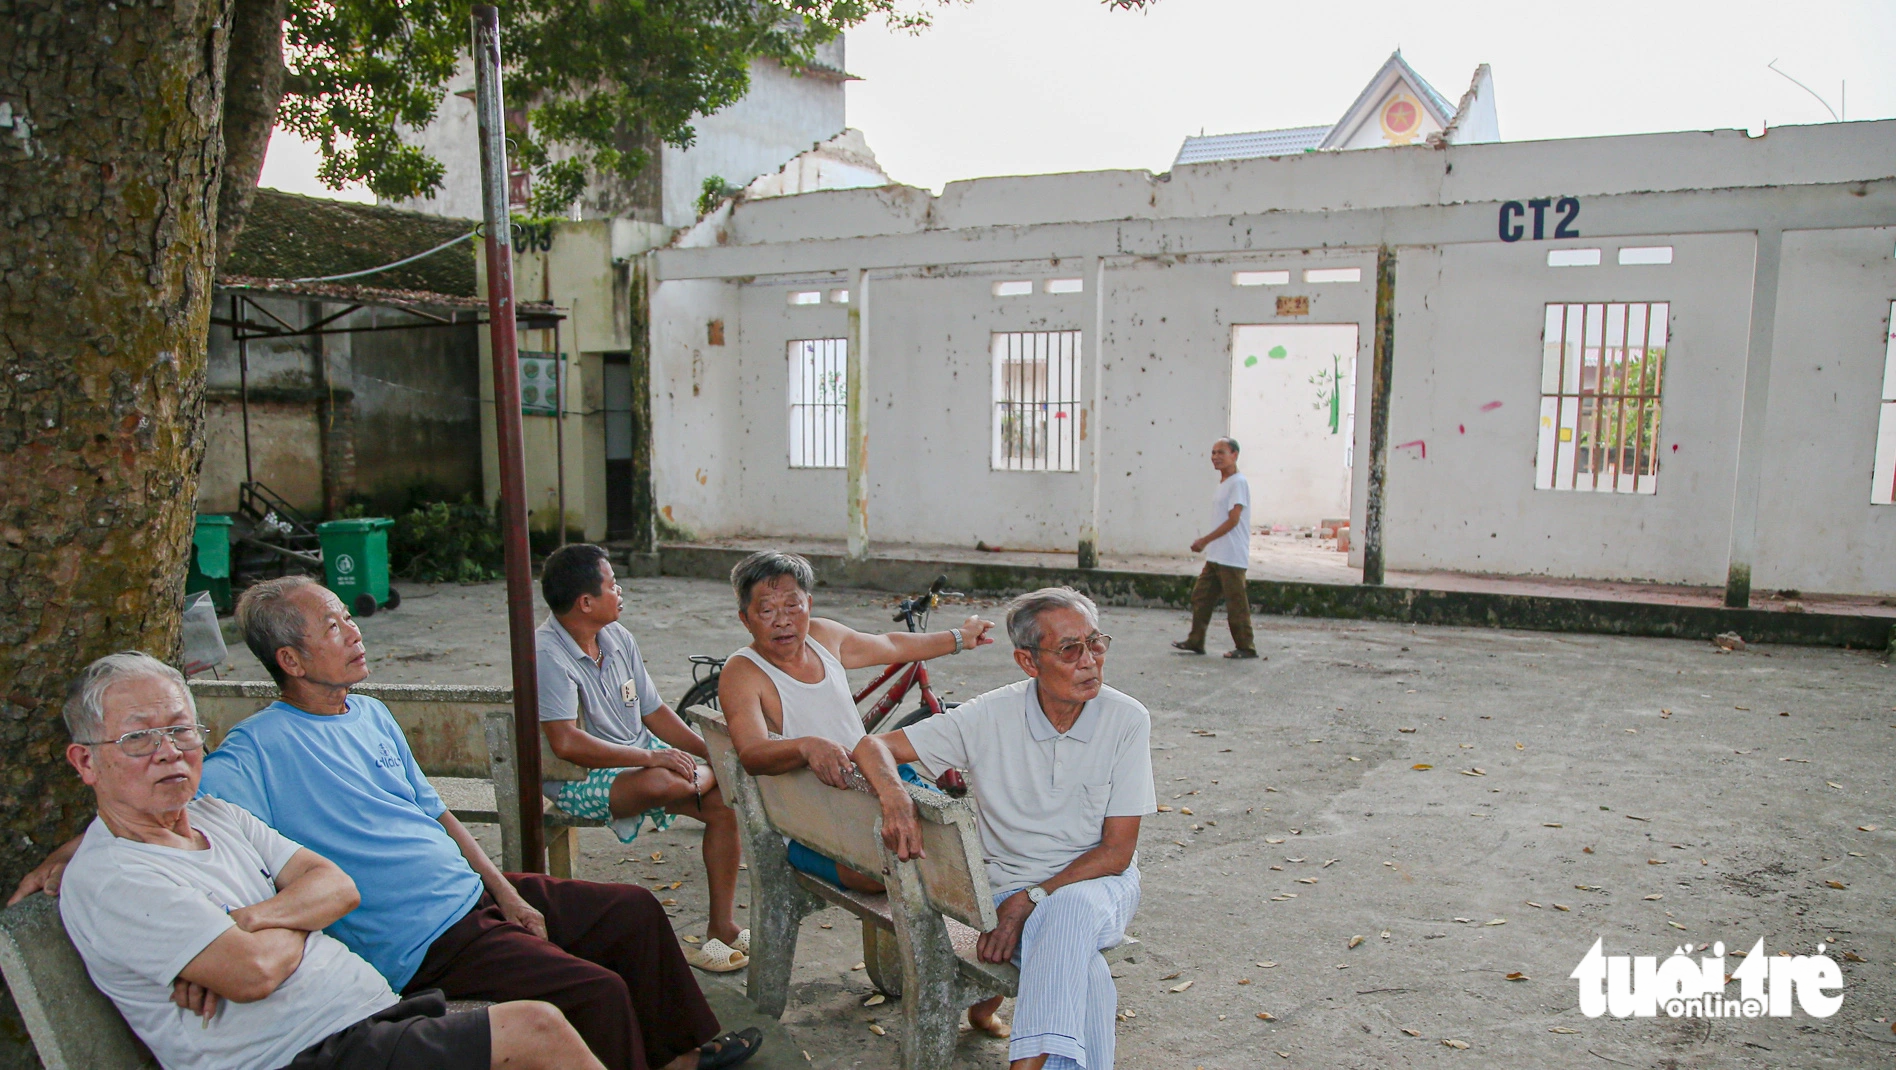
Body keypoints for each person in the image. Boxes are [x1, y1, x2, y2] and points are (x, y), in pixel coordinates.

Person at [12, 577, 761, 1070]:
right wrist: (75, 846)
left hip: (466, 900)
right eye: (335, 626)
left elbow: (430, 811)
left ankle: (677, 1054)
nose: (355, 632)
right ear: (292, 659)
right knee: (591, 991)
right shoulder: (256, 751)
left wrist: (504, 890)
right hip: (417, 939)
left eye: (346, 619)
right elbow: (160, 794)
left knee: (629, 910)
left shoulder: (367, 713)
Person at [46, 651, 602, 1070]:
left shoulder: (215, 814)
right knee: (537, 1029)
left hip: (368, 1023)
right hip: (301, 1055)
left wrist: (253, 919)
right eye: (139, 738)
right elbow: (253, 971)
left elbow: (339, 887)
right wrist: (296, 914)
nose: (168, 751)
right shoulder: (114, 876)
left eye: (180, 729)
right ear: (85, 762)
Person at [715, 550, 1010, 1037]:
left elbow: (890, 642)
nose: (783, 621)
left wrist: (958, 638)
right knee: (909, 866)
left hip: (870, 786)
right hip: (812, 826)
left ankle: (975, 993)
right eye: (766, 610)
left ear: (810, 603)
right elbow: (750, 752)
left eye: (793, 605)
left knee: (970, 856)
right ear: (745, 617)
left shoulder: (826, 639)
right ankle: (954, 980)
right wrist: (807, 746)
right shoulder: (743, 672)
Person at [875, 588, 1153, 1070]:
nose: (1090, 661)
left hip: (1099, 886)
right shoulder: (989, 716)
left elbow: (1116, 853)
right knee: (1084, 974)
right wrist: (896, 796)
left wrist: (1031, 900)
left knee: (1061, 913)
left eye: (1096, 643)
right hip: (1006, 887)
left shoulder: (1126, 719)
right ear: (1028, 661)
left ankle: (1024, 1064)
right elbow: (874, 747)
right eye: (1070, 649)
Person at [535, 544, 744, 973]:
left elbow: (655, 711)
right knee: (663, 783)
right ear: (586, 602)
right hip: (579, 775)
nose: (620, 591)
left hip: (639, 758)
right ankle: (701, 777)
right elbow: (566, 744)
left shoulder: (617, 636)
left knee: (724, 806)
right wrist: (652, 758)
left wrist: (710, 752)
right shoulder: (547, 654)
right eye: (612, 584)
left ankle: (720, 928)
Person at [1174, 436, 1258, 659]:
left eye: (1221, 452)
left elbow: (1233, 520)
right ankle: (1196, 640)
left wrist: (1204, 540)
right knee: (1201, 596)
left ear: (1234, 455)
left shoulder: (1238, 482)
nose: (1216, 457)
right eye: (1213, 452)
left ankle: (1246, 646)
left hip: (1232, 555)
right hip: (1217, 556)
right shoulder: (1224, 483)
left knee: (1236, 603)